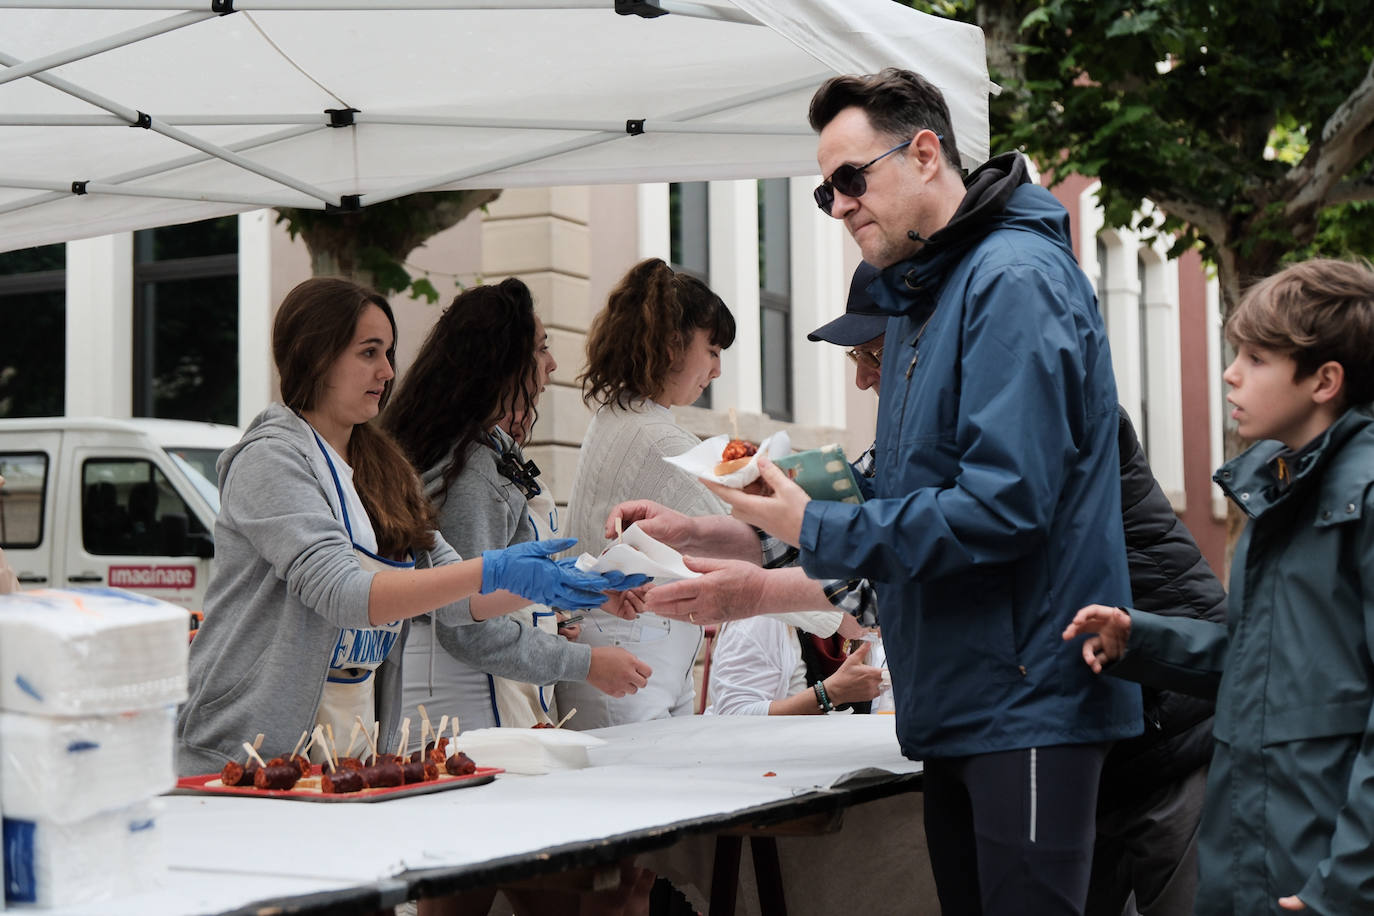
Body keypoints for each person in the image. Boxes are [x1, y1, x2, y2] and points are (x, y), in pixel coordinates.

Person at [682, 69, 1142, 915]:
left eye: (851, 178)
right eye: (825, 191)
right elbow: (895, 492)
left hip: (1027, 697)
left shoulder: (1012, 278)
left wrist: (812, 525)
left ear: (925, 153)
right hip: (962, 700)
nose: (839, 204)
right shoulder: (918, 300)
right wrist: (732, 531)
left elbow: (1004, 506)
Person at [175, 277, 637, 776]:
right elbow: (344, 593)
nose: (387, 371)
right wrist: (493, 570)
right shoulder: (270, 460)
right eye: (368, 352)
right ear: (314, 356)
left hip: (345, 750)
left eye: (389, 352)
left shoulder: (382, 464)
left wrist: (563, 587)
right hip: (244, 752)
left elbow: (456, 603)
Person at [1065, 259, 1374, 916]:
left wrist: (1347, 882)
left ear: (1325, 380)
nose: (1231, 373)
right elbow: (1267, 667)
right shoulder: (1279, 489)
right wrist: (1139, 638)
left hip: (1323, 871)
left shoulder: (1361, 496)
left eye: (1257, 358)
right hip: (1255, 853)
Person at [383, 278, 652, 735]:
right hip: (468, 717)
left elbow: (500, 592)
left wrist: (562, 606)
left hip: (480, 704)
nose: (551, 365)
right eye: (540, 349)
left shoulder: (480, 454)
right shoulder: (472, 473)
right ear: (502, 365)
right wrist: (585, 663)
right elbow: (465, 623)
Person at [556, 257, 737, 730]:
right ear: (674, 344)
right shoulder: (658, 438)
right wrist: (841, 610)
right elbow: (746, 544)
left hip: (632, 639)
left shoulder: (620, 416)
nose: (716, 369)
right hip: (632, 643)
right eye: (713, 350)